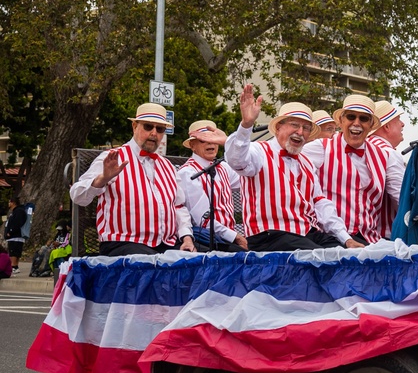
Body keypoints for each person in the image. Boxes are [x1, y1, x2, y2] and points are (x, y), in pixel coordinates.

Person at [210, 85, 357, 251]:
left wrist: (346, 239)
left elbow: (321, 204)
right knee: (319, 256)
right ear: (278, 127)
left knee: (347, 255)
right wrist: (246, 125)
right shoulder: (260, 151)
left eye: (306, 128)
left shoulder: (306, 162)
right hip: (270, 236)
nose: (300, 132)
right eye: (294, 125)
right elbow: (237, 160)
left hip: (306, 233)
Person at [69, 104, 196, 256]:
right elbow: (77, 195)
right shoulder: (112, 158)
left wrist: (187, 238)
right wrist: (102, 179)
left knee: (193, 263)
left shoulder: (167, 166)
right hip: (123, 242)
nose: (154, 133)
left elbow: (178, 207)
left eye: (160, 129)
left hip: (165, 244)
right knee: (150, 264)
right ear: (135, 126)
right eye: (148, 127)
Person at [302, 95, 403, 245]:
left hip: (370, 239)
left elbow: (402, 195)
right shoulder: (321, 148)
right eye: (351, 117)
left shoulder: (385, 156)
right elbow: (282, 155)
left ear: (371, 125)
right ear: (341, 121)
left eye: (363, 119)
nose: (356, 123)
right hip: (331, 239)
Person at [178, 120, 248, 252]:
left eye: (213, 139)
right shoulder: (188, 173)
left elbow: (248, 176)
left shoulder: (223, 167)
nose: (210, 143)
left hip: (224, 239)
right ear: (192, 145)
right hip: (205, 240)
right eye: (204, 140)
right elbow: (202, 219)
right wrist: (235, 237)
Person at [370, 100, 407, 237]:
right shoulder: (388, 152)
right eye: (398, 120)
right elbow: (403, 198)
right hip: (385, 236)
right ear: (386, 126)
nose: (402, 124)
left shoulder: (364, 148)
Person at [4, 196, 28, 274]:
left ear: (13, 203)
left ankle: (13, 266)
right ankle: (15, 266)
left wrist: (10, 231)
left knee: (13, 251)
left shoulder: (19, 211)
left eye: (9, 202)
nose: (8, 204)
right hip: (15, 236)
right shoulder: (15, 211)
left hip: (15, 236)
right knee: (15, 251)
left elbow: (17, 223)